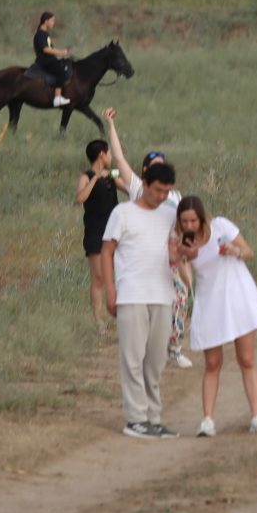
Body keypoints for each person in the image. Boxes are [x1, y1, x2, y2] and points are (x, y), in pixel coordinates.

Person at [174, 196, 257, 437]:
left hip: (238, 296)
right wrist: (185, 257)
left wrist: (234, 250)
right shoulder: (180, 243)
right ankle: (207, 420)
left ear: (201, 218)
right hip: (210, 301)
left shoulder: (221, 226)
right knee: (212, 363)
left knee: (246, 359)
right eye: (184, 221)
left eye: (193, 220)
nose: (189, 226)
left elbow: (249, 252)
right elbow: (188, 281)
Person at [103, 159, 182, 439]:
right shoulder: (122, 212)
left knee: (156, 360)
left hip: (162, 294)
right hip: (131, 293)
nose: (161, 196)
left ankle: (153, 417)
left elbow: (177, 251)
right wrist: (110, 290)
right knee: (132, 357)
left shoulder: (169, 216)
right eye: (157, 190)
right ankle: (135, 418)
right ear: (145, 184)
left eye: (166, 192)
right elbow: (106, 251)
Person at [77, 108, 127, 331]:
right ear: (101, 155)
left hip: (116, 232)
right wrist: (96, 177)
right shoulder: (87, 177)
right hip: (96, 233)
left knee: (119, 274)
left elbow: (129, 189)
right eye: (107, 154)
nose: (109, 158)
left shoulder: (112, 175)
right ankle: (98, 319)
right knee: (98, 277)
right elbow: (80, 198)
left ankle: (119, 314)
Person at [32, 10, 74, 108]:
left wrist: (63, 52)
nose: (53, 23)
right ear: (46, 21)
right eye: (52, 20)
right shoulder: (41, 34)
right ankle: (57, 97)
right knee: (63, 72)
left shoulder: (45, 34)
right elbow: (46, 49)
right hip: (45, 61)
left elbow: (51, 48)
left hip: (49, 60)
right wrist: (61, 52)